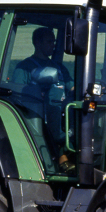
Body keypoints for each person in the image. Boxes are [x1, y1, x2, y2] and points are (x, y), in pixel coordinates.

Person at [12, 26, 73, 172]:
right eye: (49, 42)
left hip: (61, 116)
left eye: (54, 41)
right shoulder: (24, 68)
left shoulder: (59, 68)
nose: (53, 45)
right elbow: (19, 97)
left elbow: (72, 88)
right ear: (37, 43)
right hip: (39, 118)